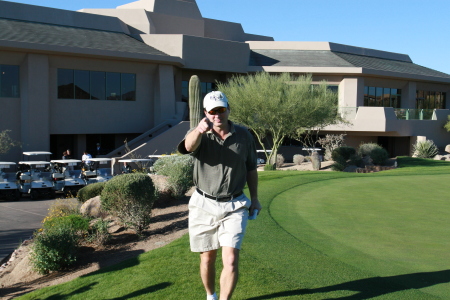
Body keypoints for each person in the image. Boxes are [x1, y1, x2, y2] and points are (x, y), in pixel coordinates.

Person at [178, 91, 261, 300]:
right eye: (213, 111)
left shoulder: (244, 135)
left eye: (221, 110)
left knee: (231, 259)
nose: (218, 115)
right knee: (207, 258)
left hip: (235, 204)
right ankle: (211, 295)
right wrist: (198, 129)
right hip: (203, 204)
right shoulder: (198, 134)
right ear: (206, 112)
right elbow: (188, 146)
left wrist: (255, 198)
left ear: (228, 109)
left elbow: (251, 168)